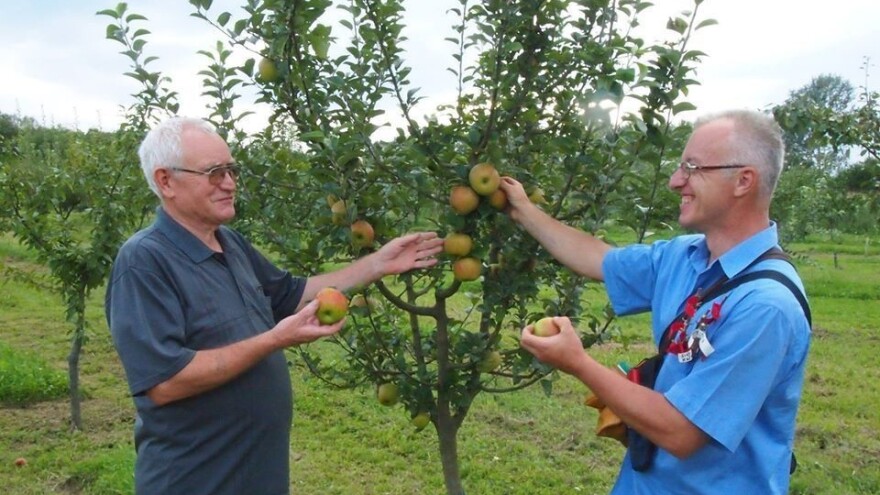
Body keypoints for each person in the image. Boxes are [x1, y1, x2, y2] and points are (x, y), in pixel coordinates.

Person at [104, 116, 443, 495]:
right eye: (214, 173)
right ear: (166, 180)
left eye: (231, 170)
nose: (230, 183)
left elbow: (293, 294)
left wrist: (379, 263)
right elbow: (163, 383)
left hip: (257, 475)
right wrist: (273, 340)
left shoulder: (230, 244)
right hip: (196, 480)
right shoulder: (145, 262)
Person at [505, 109, 811, 494]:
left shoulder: (766, 307)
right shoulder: (685, 257)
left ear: (743, 180)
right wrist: (523, 210)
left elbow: (682, 432)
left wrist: (577, 363)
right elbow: (597, 258)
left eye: (692, 168)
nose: (674, 181)